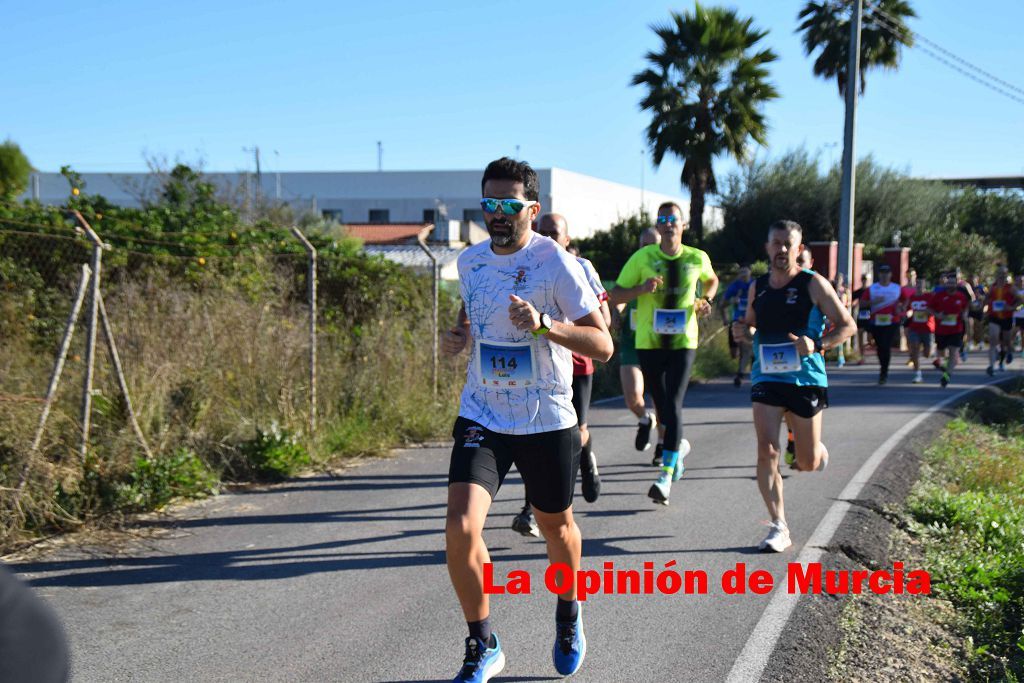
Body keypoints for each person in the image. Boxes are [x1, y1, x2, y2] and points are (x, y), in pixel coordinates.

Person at [441, 158, 613, 681]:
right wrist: (456, 339)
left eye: (508, 205)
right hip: (483, 412)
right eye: (488, 203)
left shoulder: (556, 264)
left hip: (546, 415)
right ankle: (482, 641)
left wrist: (545, 326)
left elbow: (603, 344)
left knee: (555, 528)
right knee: (460, 526)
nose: (497, 214)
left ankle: (568, 612)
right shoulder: (469, 263)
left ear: (531, 210)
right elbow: (469, 319)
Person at [732, 220, 855, 552]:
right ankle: (778, 525)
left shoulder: (813, 284)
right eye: (776, 243)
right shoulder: (759, 287)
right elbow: (752, 328)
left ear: (799, 249)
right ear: (768, 247)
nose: (782, 249)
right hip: (767, 376)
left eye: (789, 244)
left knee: (806, 463)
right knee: (765, 450)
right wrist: (743, 333)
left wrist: (818, 344)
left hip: (806, 379)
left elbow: (847, 326)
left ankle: (809, 449)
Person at [509, 213, 611, 538]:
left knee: (578, 430)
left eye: (557, 233)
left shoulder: (582, 268)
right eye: (545, 232)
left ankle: (586, 457)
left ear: (567, 239)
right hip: (538, 369)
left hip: (578, 363)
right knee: (533, 437)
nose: (550, 238)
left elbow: (603, 319)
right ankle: (530, 509)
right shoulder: (524, 265)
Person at [609, 202, 719, 505]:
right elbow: (615, 294)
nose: (668, 224)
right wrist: (641, 290)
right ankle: (678, 448)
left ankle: (666, 475)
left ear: (683, 225)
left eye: (674, 219)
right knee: (661, 405)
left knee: (673, 403)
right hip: (649, 342)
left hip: (684, 341)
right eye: (663, 219)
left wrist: (706, 299)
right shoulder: (642, 257)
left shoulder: (698, 257)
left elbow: (711, 279)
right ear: (658, 227)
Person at [616, 228, 663, 463]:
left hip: (660, 344)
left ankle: (663, 446)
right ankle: (645, 418)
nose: (647, 250)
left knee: (663, 399)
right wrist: (614, 314)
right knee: (633, 397)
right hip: (632, 342)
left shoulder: (669, 271)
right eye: (643, 245)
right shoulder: (633, 270)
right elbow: (617, 299)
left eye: (652, 245)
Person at [861, 264, 903, 384]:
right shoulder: (873, 288)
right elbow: (862, 303)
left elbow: (906, 300)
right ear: (879, 274)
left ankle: (884, 371)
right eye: (882, 273)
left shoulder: (896, 288)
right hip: (876, 321)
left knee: (886, 346)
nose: (885, 275)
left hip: (892, 321)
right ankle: (883, 367)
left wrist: (901, 308)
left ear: (891, 274)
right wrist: (873, 301)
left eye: (887, 273)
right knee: (880, 347)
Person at [931, 270, 971, 388]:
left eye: (953, 283)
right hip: (941, 330)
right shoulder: (939, 296)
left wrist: (965, 313)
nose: (951, 285)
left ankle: (947, 376)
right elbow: (930, 308)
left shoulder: (961, 296)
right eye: (949, 283)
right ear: (946, 284)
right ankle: (942, 366)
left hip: (956, 329)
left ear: (957, 284)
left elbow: (967, 306)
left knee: (953, 353)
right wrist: (937, 315)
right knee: (941, 353)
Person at [722, 265, 754, 387]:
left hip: (751, 322)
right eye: (741, 272)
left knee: (747, 348)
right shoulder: (735, 286)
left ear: (750, 272)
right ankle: (742, 370)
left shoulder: (754, 285)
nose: (744, 275)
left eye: (745, 272)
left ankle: (742, 374)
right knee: (734, 352)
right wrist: (725, 317)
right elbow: (723, 304)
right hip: (737, 321)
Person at [985, 266, 1016, 375]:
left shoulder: (1011, 287)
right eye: (999, 273)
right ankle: (991, 366)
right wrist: (985, 303)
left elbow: (1021, 300)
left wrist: (1012, 307)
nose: (1001, 275)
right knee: (993, 340)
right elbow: (987, 298)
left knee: (1006, 341)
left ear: (1006, 274)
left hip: (1006, 317)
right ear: (997, 274)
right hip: (994, 316)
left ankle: (1004, 358)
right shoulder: (992, 287)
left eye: (1004, 273)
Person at [905, 276, 934, 383]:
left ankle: (931, 349)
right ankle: (918, 374)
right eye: (917, 285)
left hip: (927, 328)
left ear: (924, 286)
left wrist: (928, 311)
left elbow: (935, 309)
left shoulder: (930, 296)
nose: (919, 287)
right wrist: (908, 313)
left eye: (921, 285)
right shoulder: (912, 297)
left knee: (927, 354)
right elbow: (907, 309)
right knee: (914, 350)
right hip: (914, 328)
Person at [851, 273, 872, 362]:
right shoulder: (859, 291)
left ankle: (870, 345)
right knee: (860, 334)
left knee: (871, 337)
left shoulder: (872, 291)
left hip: (871, 316)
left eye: (866, 279)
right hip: (861, 315)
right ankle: (861, 356)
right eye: (863, 279)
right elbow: (851, 298)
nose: (864, 281)